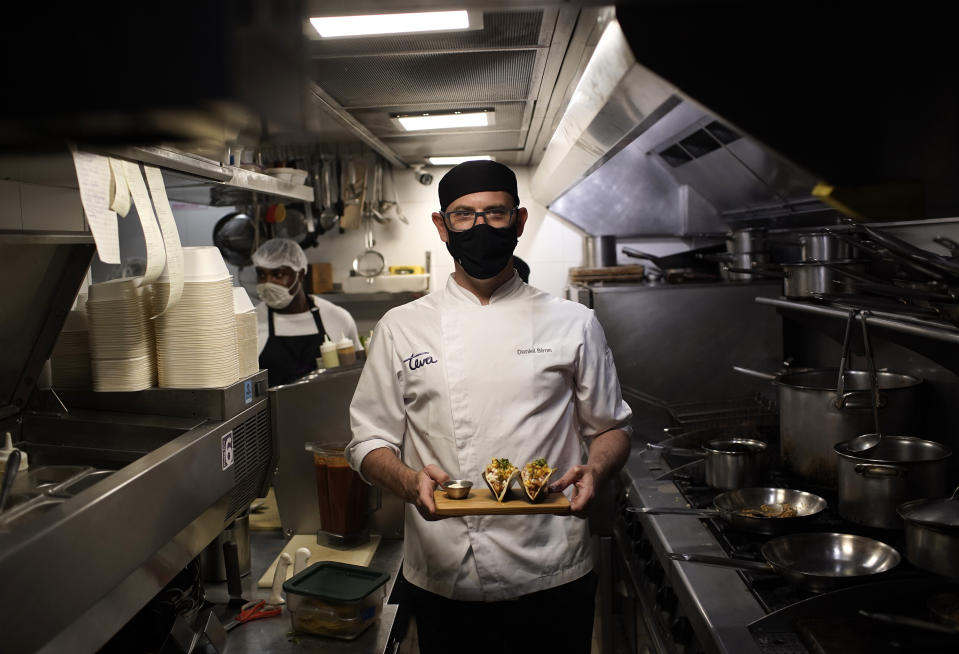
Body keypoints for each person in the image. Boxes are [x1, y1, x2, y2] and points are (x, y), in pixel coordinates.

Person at [346, 161, 631, 653]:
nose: (480, 227)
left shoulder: (573, 323)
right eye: (463, 215)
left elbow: (611, 428)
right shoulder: (401, 327)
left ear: (518, 222)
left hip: (552, 568)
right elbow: (368, 441)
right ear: (442, 226)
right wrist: (410, 482)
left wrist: (597, 471)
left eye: (495, 214)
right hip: (444, 572)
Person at [252, 238, 362, 386]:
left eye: (278, 275)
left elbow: (356, 376)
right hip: (274, 409)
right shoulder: (250, 324)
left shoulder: (338, 318)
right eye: (262, 275)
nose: (268, 283)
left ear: (301, 274)